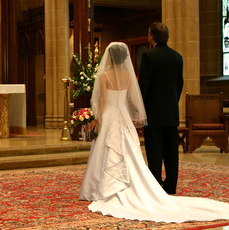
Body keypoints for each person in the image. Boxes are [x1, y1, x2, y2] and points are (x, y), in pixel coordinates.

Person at [79, 41, 229, 222]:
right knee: (128, 151)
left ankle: (100, 187)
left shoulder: (104, 76)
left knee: (106, 149)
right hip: (123, 117)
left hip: (109, 116)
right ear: (125, 57)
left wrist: (96, 118)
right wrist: (135, 114)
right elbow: (135, 99)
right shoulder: (129, 75)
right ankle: (133, 183)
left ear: (110, 57)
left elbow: (102, 101)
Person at [138, 22, 183, 194]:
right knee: (172, 152)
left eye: (148, 33)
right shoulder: (177, 56)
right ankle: (171, 186)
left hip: (154, 113)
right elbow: (179, 85)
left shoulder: (149, 56)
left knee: (155, 152)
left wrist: (140, 109)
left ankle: (156, 187)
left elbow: (144, 86)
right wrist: (172, 102)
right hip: (171, 113)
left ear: (152, 36)